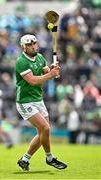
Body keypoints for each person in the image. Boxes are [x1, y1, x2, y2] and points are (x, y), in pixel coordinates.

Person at [15, 34, 67, 171]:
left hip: (38, 99)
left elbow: (47, 73)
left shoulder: (40, 57)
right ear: (23, 47)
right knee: (46, 128)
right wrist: (50, 75)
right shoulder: (21, 61)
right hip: (25, 102)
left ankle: (25, 159)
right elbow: (32, 81)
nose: (33, 46)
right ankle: (50, 158)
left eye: (34, 43)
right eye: (29, 45)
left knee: (42, 133)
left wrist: (53, 70)